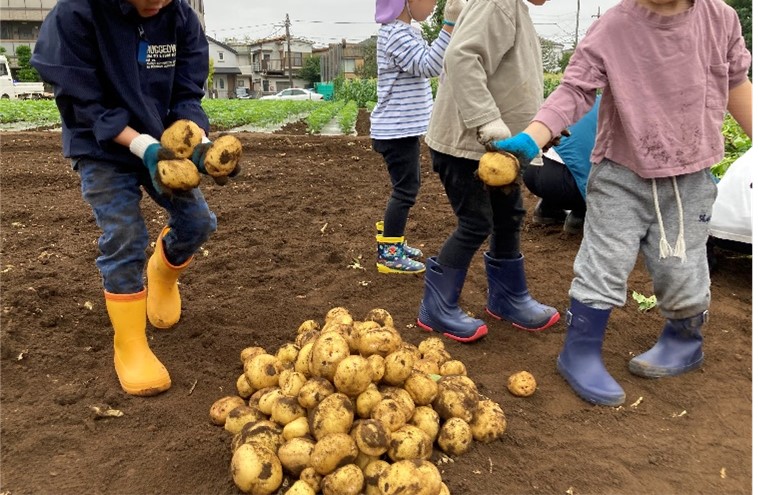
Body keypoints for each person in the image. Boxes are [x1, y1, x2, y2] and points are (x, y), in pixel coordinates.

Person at [489, 0, 752, 405]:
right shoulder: (614, 27)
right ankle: (579, 350)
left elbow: (736, 82)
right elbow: (575, 89)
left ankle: (684, 340)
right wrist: (532, 138)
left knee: (682, 267)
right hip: (621, 174)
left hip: (689, 177)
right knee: (603, 260)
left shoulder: (720, 19)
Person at [31, 0, 240, 397]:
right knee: (125, 234)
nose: (157, 4)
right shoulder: (76, 15)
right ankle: (130, 346)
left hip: (162, 141)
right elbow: (87, 106)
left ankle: (162, 274)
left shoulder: (180, 18)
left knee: (198, 223)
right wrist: (143, 147)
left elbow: (185, 94)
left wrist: (201, 146)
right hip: (101, 147)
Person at [418, 0, 560, 342]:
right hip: (467, 145)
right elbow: (461, 57)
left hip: (498, 150)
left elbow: (513, 78)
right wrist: (487, 123)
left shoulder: (515, 8)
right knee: (476, 221)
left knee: (509, 215)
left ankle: (508, 298)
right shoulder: (497, 2)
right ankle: (436, 307)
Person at [371, 0, 465, 274]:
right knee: (405, 191)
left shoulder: (405, 31)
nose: (434, 5)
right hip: (395, 131)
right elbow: (429, 65)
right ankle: (389, 254)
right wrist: (449, 25)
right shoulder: (395, 34)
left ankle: (393, 240)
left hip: (402, 129)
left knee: (406, 188)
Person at [523, 95, 600, 235]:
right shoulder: (621, 111)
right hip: (564, 182)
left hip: (531, 169)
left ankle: (547, 209)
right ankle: (580, 214)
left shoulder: (588, 100)